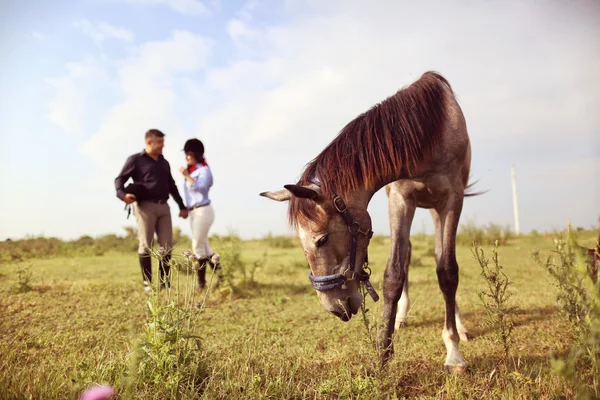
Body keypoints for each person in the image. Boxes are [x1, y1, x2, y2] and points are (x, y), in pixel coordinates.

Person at [114, 129, 189, 294]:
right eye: (160, 142)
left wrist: (182, 206)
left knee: (167, 245)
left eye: (163, 141)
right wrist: (123, 195)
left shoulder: (164, 162)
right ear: (149, 142)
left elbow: (171, 186)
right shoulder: (136, 160)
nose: (163, 145)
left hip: (164, 206)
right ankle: (148, 284)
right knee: (146, 245)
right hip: (144, 207)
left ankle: (165, 283)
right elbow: (119, 179)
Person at [178, 138, 220, 290]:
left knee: (197, 247)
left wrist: (186, 176)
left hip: (203, 210)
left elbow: (202, 188)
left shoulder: (204, 170)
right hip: (193, 212)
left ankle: (201, 285)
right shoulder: (193, 170)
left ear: (195, 154)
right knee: (206, 248)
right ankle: (222, 277)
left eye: (189, 154)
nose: (186, 157)